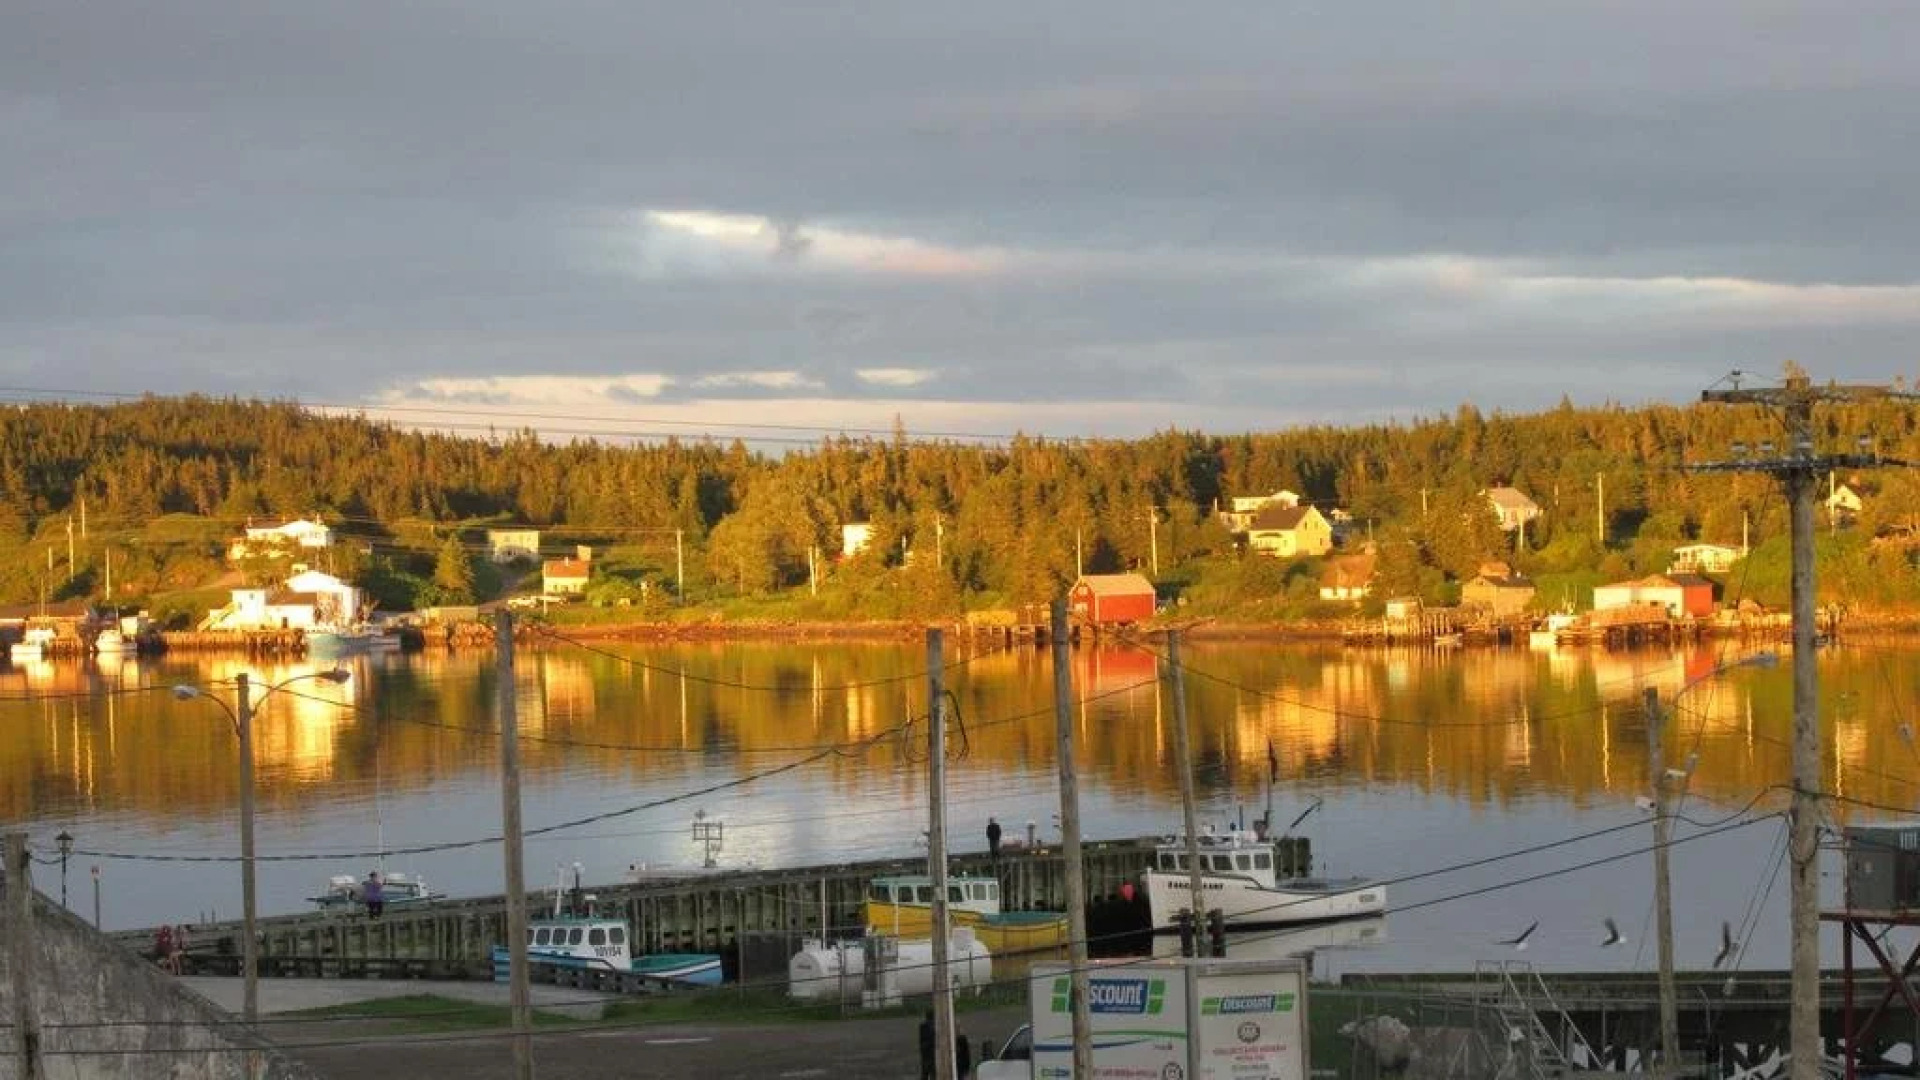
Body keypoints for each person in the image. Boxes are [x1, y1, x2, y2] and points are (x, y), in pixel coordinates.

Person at [918, 1009, 936, 1080]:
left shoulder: (922, 1026)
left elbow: (921, 1040)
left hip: (925, 1053)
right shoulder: (935, 1026)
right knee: (933, 1073)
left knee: (925, 1073)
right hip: (931, 1053)